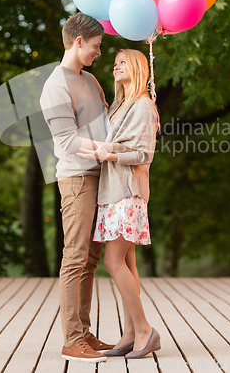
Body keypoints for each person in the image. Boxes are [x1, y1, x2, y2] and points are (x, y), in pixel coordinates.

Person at [40, 12, 127, 363]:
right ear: (78, 42)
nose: (99, 52)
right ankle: (71, 340)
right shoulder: (54, 87)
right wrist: (105, 151)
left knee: (90, 260)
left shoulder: (90, 81)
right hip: (77, 179)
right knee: (75, 257)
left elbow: (107, 122)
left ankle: (85, 333)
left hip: (100, 176)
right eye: (96, 46)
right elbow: (65, 141)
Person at [77, 48, 161, 359]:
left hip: (128, 193)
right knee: (127, 263)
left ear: (139, 67)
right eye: (114, 63)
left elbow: (143, 154)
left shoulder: (142, 106)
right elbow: (114, 142)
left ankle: (144, 330)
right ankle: (129, 333)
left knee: (113, 261)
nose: (116, 66)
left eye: (122, 62)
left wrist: (107, 154)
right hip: (112, 194)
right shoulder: (120, 106)